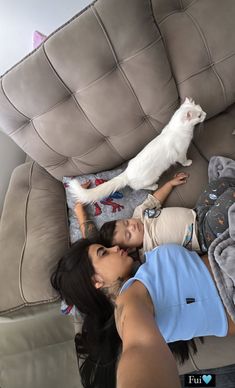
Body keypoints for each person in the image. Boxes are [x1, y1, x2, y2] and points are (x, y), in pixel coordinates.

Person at [51, 238, 235, 388]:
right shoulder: (129, 301)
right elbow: (139, 346)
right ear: (96, 281)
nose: (115, 247)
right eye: (104, 252)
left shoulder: (142, 272)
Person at [74, 174, 235, 258]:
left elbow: (155, 199)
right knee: (229, 199)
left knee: (219, 184)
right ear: (129, 249)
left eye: (126, 222)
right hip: (203, 236)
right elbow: (92, 241)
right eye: (129, 235)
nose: (132, 226)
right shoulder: (147, 253)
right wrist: (80, 211)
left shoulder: (139, 214)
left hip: (198, 211)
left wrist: (170, 184)